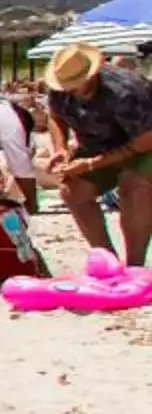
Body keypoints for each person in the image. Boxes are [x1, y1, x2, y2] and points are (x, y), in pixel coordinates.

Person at [42, 43, 152, 267]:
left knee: (134, 187)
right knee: (72, 191)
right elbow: (55, 116)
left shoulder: (126, 91)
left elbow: (145, 140)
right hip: (97, 146)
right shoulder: (61, 86)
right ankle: (108, 261)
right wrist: (61, 148)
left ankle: (135, 265)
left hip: (142, 146)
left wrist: (91, 164)